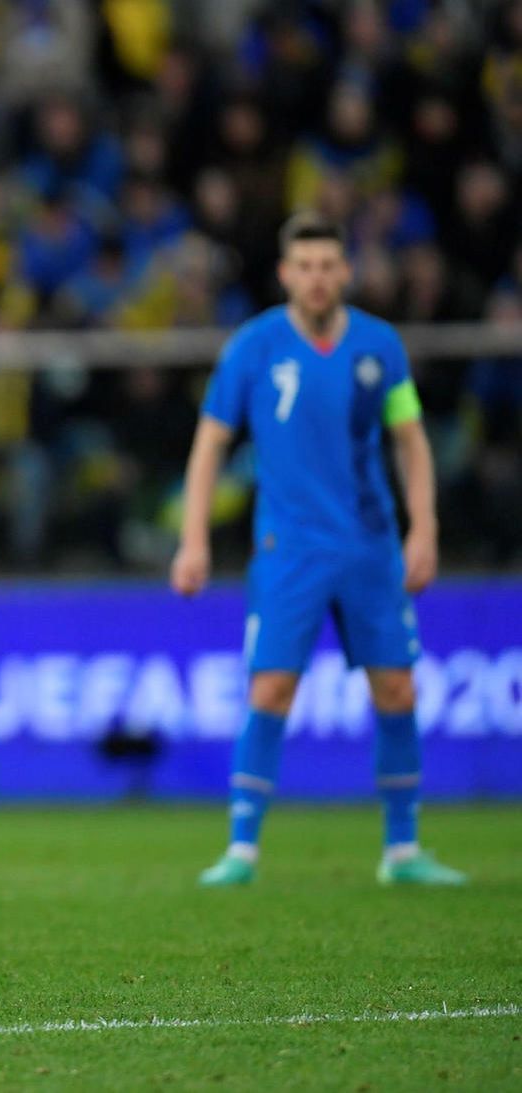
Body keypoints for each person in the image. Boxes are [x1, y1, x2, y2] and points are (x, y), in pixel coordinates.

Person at [171, 214, 466, 888]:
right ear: (285, 274)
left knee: (396, 686)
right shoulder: (253, 347)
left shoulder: (379, 346)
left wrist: (425, 528)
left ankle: (403, 849)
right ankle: (241, 850)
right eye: (304, 265)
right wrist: (193, 539)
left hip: (370, 545)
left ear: (346, 271)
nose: (317, 277)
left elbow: (410, 438)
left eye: (328, 264)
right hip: (289, 549)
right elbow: (210, 443)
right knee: (270, 687)